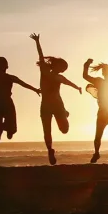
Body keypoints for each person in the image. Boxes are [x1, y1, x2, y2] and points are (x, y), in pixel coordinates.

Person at [30, 33, 83, 165]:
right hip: (46, 106)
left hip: (58, 105)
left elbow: (68, 82)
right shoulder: (44, 71)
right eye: (62, 68)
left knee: (64, 130)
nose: (63, 71)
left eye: (64, 69)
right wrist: (37, 42)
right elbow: (41, 56)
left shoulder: (59, 77)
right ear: (56, 65)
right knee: (47, 130)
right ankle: (50, 150)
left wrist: (77, 88)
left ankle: (64, 114)